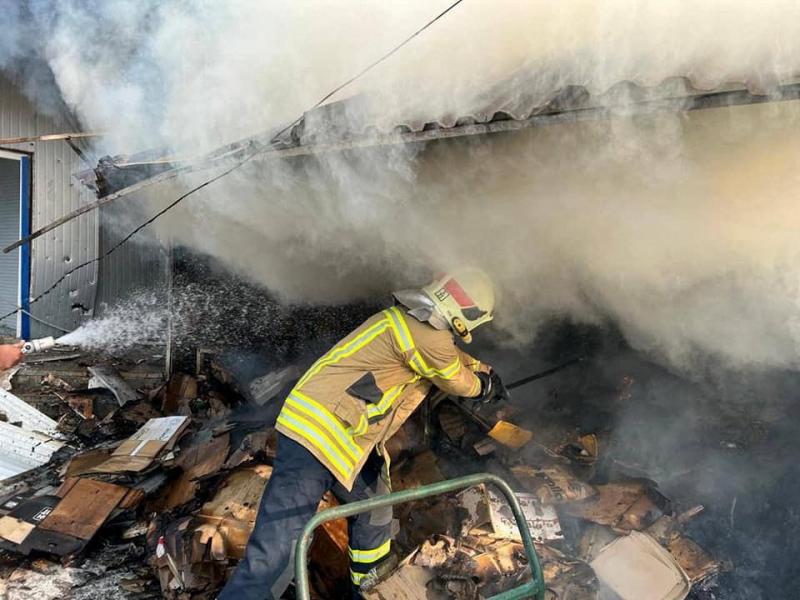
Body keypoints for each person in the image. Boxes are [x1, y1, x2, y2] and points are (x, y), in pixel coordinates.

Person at [219, 267, 507, 600]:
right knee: (276, 543)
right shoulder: (427, 337)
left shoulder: (413, 324)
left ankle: (368, 590)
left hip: (347, 439)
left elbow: (452, 357)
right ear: (467, 315)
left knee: (376, 508)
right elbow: (454, 378)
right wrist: (484, 386)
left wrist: (485, 370)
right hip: (317, 437)